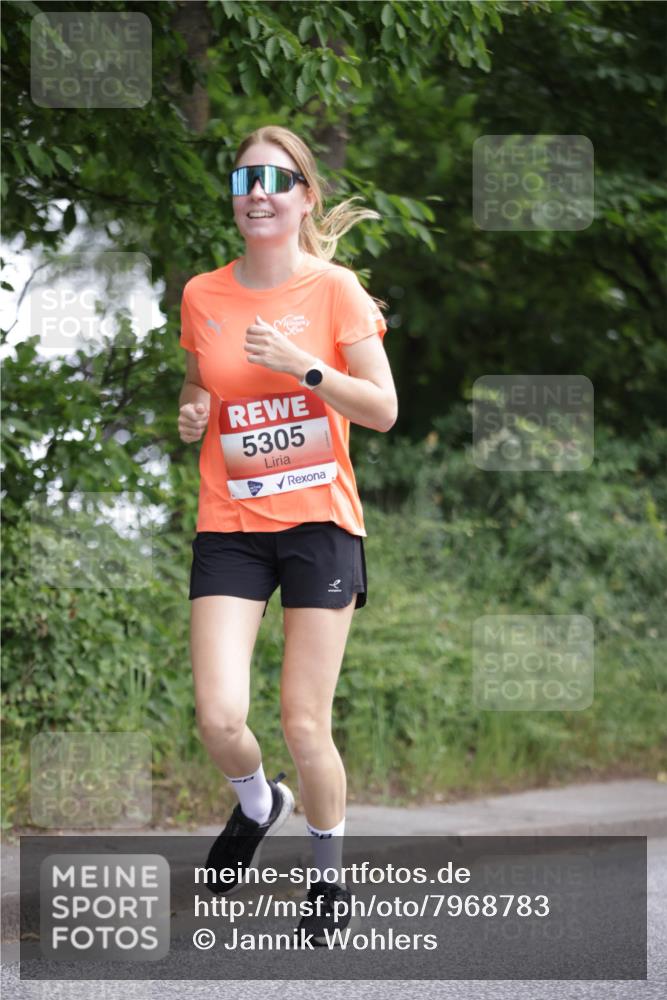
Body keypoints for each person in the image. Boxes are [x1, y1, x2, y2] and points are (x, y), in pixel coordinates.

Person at [177, 125, 397, 944]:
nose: (257, 192)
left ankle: (328, 877)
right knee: (218, 716)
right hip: (231, 521)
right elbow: (200, 382)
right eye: (243, 180)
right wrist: (193, 409)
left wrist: (301, 365)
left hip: (319, 524)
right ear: (235, 200)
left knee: (305, 723)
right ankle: (257, 803)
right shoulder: (203, 294)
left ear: (304, 195)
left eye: (274, 178)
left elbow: (382, 409)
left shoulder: (336, 290)